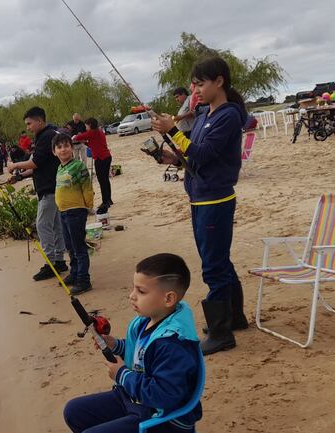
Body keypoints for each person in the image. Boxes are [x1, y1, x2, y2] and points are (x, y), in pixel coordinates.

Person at [150, 56, 248, 355]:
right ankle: (234, 317)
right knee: (220, 260)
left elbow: (203, 154)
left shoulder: (228, 116)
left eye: (200, 84)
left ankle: (221, 334)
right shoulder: (206, 114)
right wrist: (173, 158)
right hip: (200, 196)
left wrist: (172, 129)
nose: (195, 90)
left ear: (219, 81)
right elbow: (196, 155)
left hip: (215, 200)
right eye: (193, 85)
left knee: (213, 266)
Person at [63, 253, 202, 433]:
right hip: (134, 398)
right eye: (133, 288)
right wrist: (114, 345)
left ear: (168, 299)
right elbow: (140, 353)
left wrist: (122, 374)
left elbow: (162, 395)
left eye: (141, 291)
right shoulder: (148, 320)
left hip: (161, 418)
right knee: (73, 411)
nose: (132, 296)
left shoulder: (173, 345)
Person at [7, 107, 68, 280]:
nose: (28, 127)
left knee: (42, 226)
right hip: (52, 188)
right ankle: (59, 261)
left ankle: (51, 264)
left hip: (49, 189)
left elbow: (34, 162)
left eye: (29, 123)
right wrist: (19, 176)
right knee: (55, 226)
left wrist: (14, 166)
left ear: (40, 121)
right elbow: (39, 165)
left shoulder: (47, 136)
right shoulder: (46, 135)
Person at [52, 133, 94, 294]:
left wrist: (88, 206)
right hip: (63, 213)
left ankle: (84, 280)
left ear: (72, 148)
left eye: (66, 146)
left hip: (76, 212)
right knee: (70, 247)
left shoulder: (78, 166)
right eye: (59, 147)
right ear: (54, 151)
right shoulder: (60, 168)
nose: (63, 149)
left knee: (79, 248)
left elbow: (87, 188)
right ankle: (75, 273)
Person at [72, 117, 114, 213]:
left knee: (102, 180)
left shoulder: (93, 132)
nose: (86, 128)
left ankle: (105, 202)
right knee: (105, 180)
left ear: (90, 125)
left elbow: (78, 137)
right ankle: (108, 199)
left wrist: (74, 137)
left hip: (101, 159)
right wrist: (85, 142)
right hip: (106, 157)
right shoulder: (99, 131)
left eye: (86, 126)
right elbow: (92, 144)